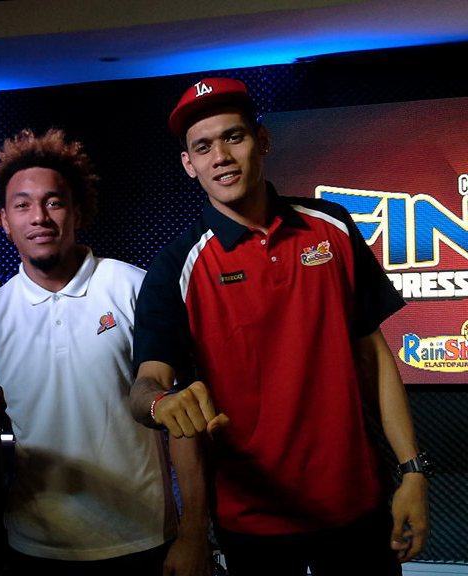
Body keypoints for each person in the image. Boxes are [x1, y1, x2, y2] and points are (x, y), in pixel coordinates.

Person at [129, 77, 430, 576]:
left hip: (358, 505)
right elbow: (146, 386)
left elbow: (374, 356)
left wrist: (413, 473)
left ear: (262, 140)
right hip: (253, 523)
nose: (220, 156)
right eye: (202, 147)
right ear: (189, 165)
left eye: (234, 137)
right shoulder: (175, 265)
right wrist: (163, 405)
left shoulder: (331, 227)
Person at [0, 128, 195, 575]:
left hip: (144, 538)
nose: (39, 217)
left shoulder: (134, 287)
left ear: (78, 211)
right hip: (33, 544)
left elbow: (183, 415)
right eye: (22, 205)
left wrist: (194, 534)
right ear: (4, 221)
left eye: (53, 201)